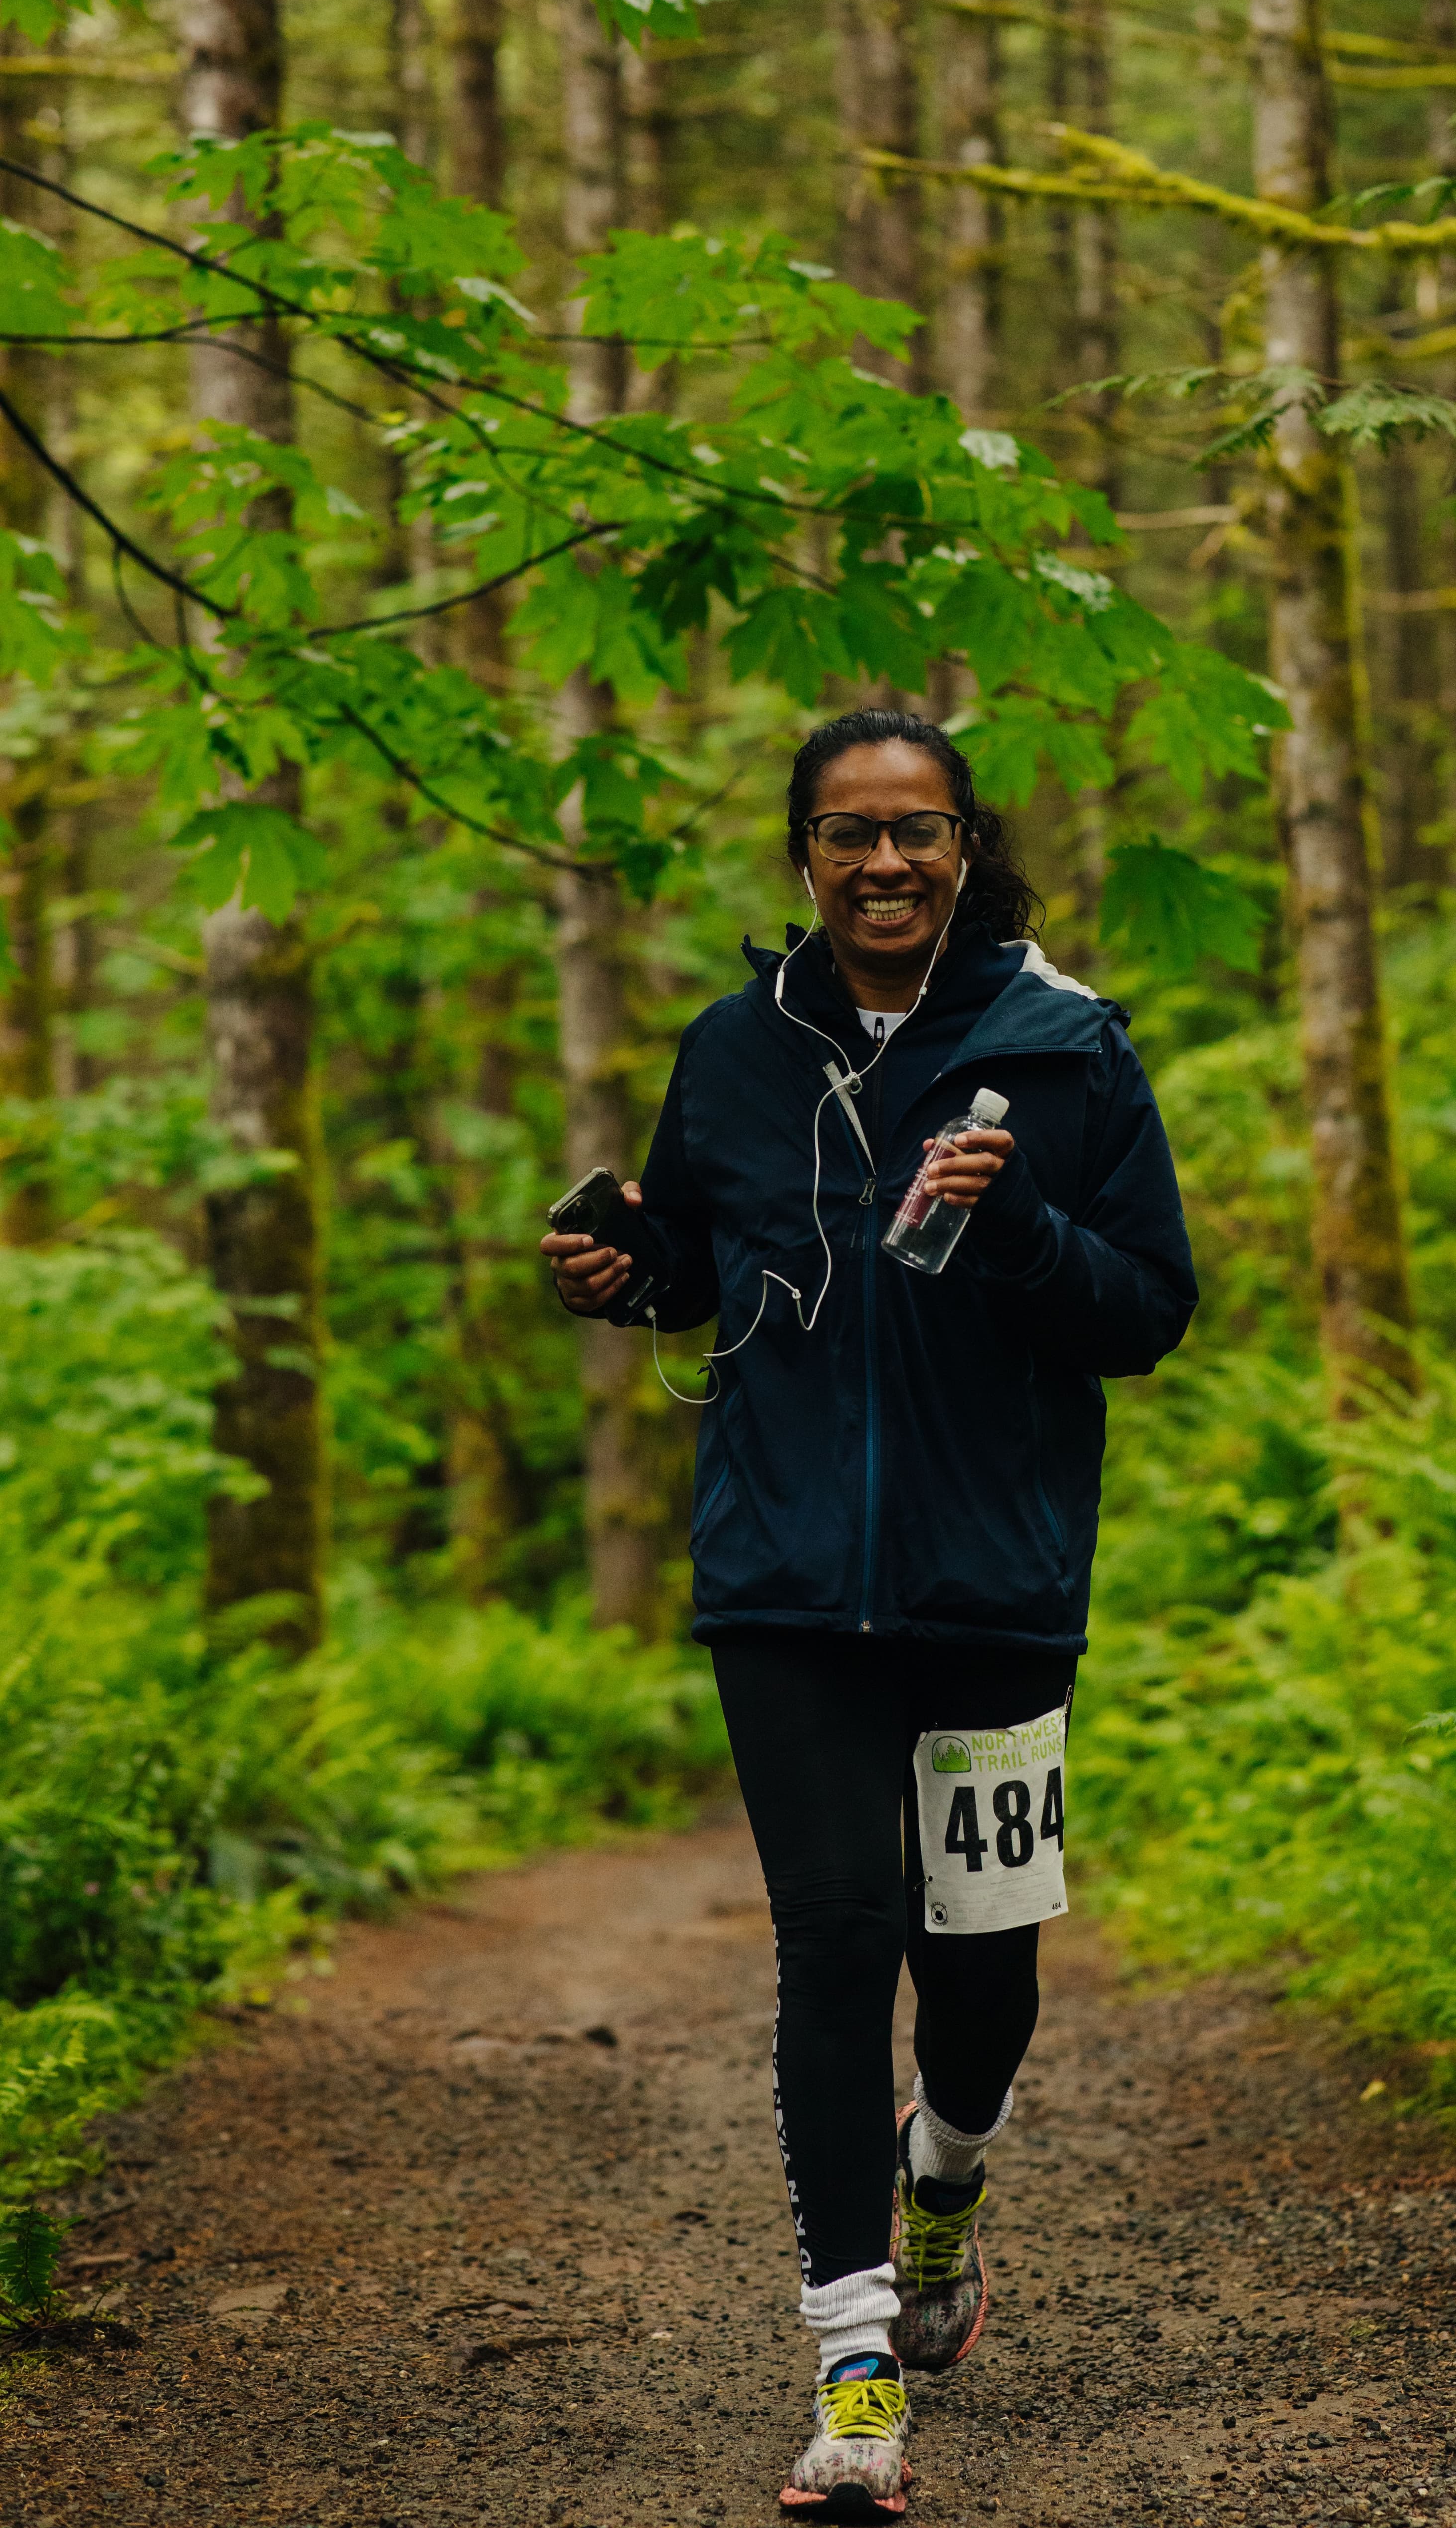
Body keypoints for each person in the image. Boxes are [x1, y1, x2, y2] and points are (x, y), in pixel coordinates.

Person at [541, 710, 1195, 2522]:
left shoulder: (1063, 1051)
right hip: (785, 1582)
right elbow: (704, 1256)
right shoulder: (734, 1050)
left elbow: (1146, 1308)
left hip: (993, 1586)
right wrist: (627, 1269)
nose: (885, 865)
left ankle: (950, 2176)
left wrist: (1018, 1234)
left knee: (980, 1975)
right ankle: (852, 2371)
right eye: (850, 835)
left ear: (967, 849)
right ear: (803, 857)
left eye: (918, 834)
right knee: (834, 1938)